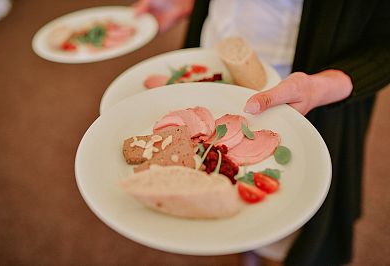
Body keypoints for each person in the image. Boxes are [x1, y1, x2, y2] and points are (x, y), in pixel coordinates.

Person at [134, 0, 390, 265]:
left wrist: (319, 88)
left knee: (285, 230)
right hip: (212, 63)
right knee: (230, 215)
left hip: (297, 94)